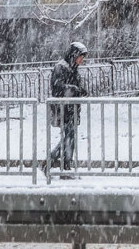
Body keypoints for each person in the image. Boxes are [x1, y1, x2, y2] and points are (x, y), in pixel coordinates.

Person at [45, 41, 88, 179]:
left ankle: (60, 166)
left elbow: (70, 86)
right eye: (80, 56)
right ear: (74, 55)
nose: (82, 60)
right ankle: (55, 165)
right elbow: (57, 87)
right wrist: (75, 90)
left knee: (70, 138)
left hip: (71, 109)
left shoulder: (72, 68)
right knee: (69, 139)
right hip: (63, 109)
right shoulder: (61, 67)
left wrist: (80, 91)